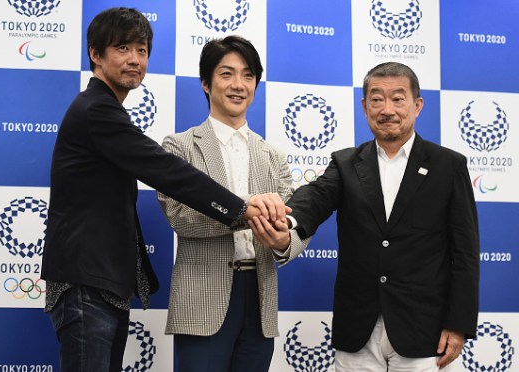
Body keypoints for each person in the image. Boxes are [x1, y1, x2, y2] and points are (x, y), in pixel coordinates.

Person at [41, 9, 287, 372]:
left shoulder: (105, 110)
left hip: (100, 281)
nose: (134, 60)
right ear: (95, 54)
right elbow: (168, 172)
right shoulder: (97, 111)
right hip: (85, 280)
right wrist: (244, 208)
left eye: (141, 51)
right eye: (122, 48)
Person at [255, 62, 480, 371]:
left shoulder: (448, 166)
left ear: (417, 105)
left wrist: (459, 325)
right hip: (357, 329)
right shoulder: (346, 163)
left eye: (398, 98)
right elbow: (315, 197)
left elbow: (465, 253)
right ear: (364, 107)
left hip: (424, 330)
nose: (387, 109)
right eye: (377, 99)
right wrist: (287, 221)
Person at [157, 35, 310, 372]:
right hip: (202, 301)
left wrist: (286, 242)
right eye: (226, 74)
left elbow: (298, 222)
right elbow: (180, 216)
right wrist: (246, 209)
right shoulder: (180, 147)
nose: (238, 85)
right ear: (205, 84)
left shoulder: (273, 156)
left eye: (248, 75)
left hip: (260, 298)